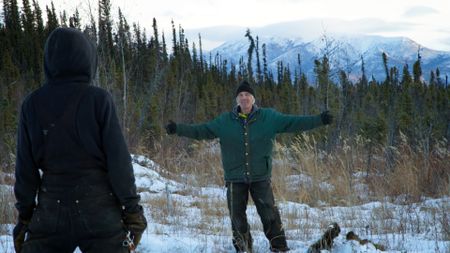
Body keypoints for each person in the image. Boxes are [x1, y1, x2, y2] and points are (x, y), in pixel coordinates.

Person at [13, 27, 147, 253]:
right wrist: (132, 209)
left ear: (49, 60)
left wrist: (25, 216)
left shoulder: (32, 104)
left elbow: (25, 170)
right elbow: (119, 162)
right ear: (87, 58)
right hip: (99, 209)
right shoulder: (98, 100)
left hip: (51, 210)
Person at [165, 80, 333, 253]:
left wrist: (320, 119)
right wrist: (177, 129)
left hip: (260, 176)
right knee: (237, 218)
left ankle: (279, 247)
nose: (244, 98)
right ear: (237, 100)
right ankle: (244, 248)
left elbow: (294, 123)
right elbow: (201, 130)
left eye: (247, 95)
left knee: (269, 215)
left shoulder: (269, 118)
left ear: (253, 99)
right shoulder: (224, 121)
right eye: (240, 95)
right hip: (234, 178)